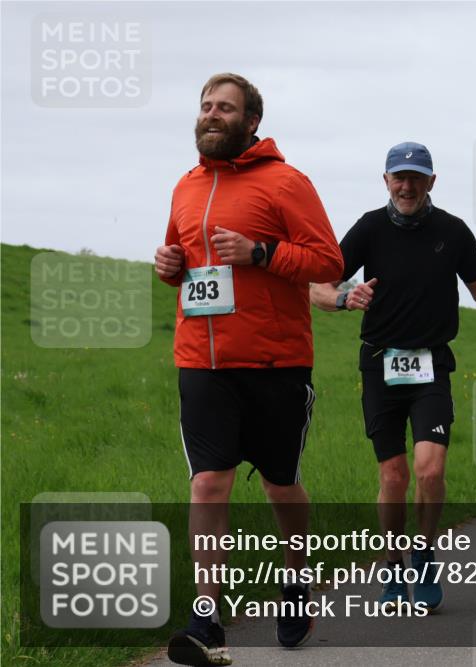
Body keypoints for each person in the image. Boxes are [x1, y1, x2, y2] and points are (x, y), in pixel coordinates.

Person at [155, 73, 344, 666]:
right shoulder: (186, 186)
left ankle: (296, 581)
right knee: (208, 482)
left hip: (275, 361)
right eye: (206, 106)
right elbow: (180, 256)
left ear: (251, 121)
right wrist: (168, 264)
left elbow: (327, 261)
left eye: (225, 108)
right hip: (202, 360)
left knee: (279, 481)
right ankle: (207, 618)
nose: (212, 114)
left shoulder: (286, 182)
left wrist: (261, 253)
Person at [310, 142, 476, 614]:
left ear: (432, 181)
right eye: (398, 177)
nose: (406, 186)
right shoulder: (369, 228)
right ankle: (391, 567)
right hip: (379, 365)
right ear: (385, 180)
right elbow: (319, 287)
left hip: (431, 364)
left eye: (416, 177)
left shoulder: (451, 231)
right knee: (394, 476)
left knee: (430, 471)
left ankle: (424, 555)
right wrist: (344, 300)